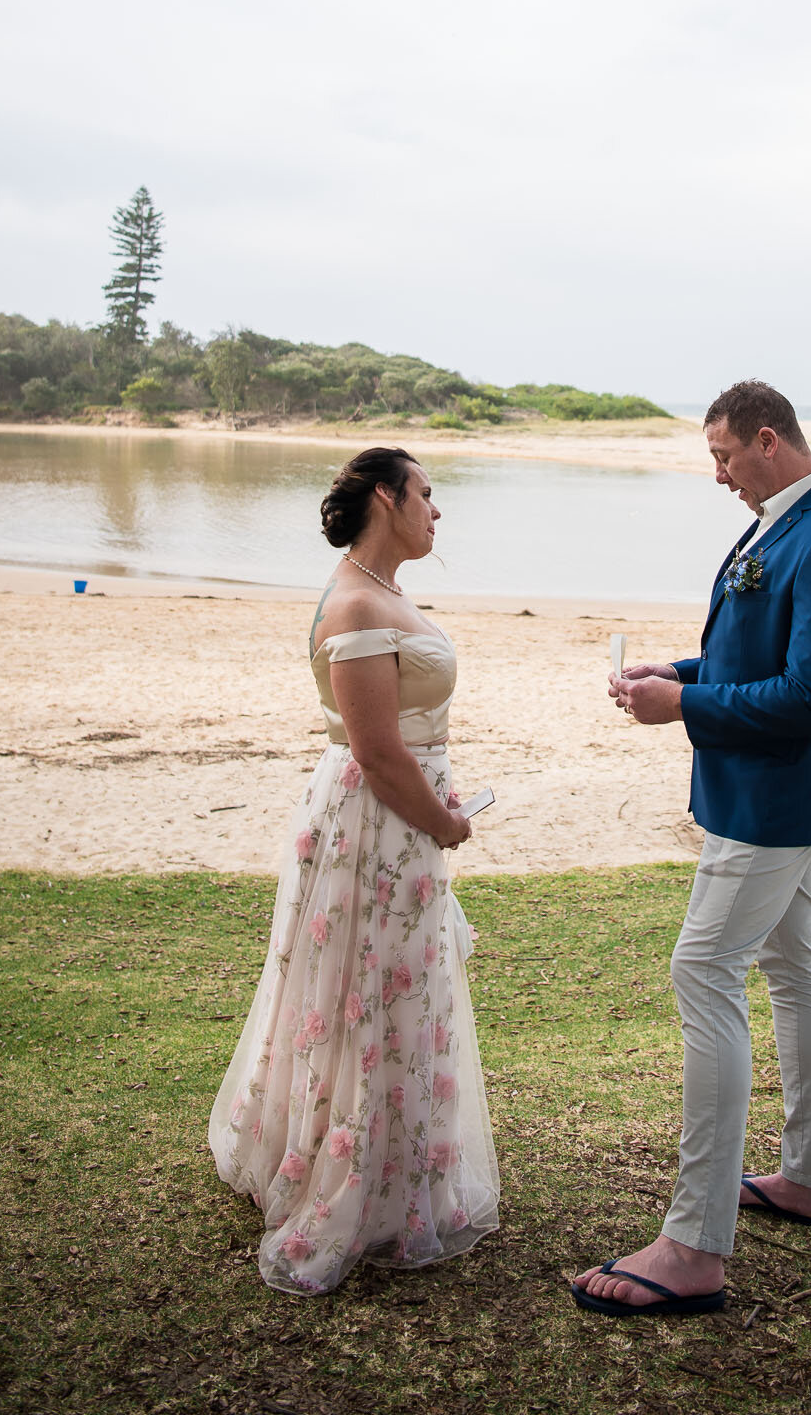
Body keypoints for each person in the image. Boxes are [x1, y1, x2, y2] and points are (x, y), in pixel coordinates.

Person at [572, 380, 811, 1319]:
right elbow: (760, 654)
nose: (715, 476)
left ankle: (693, 1246)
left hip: (776, 797)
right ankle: (810, 1180)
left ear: (765, 439)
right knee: (794, 970)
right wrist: (673, 672)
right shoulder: (781, 517)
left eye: (720, 458)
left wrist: (685, 709)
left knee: (702, 969)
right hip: (764, 793)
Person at [210, 446, 499, 1294]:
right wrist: (443, 821)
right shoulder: (355, 604)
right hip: (379, 824)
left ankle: (392, 1157)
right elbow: (375, 751)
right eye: (426, 494)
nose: (436, 511)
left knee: (384, 986)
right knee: (371, 990)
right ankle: (356, 1184)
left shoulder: (381, 591)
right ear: (386, 496)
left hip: (386, 819)